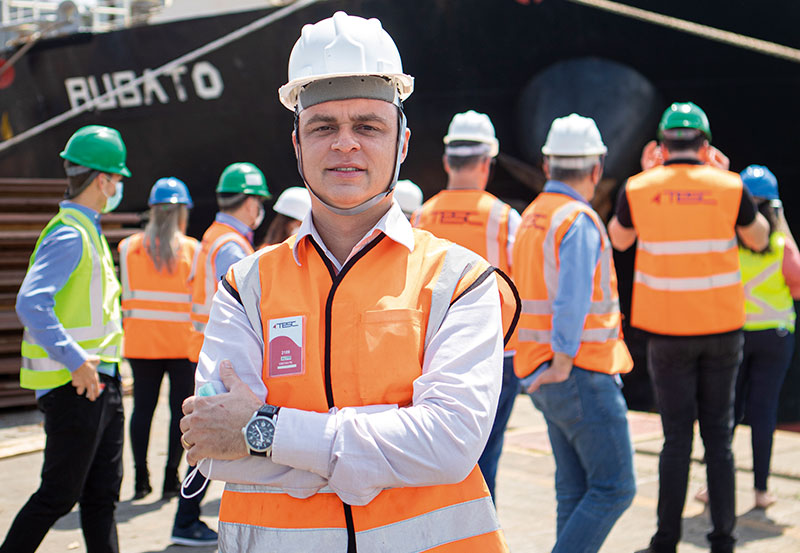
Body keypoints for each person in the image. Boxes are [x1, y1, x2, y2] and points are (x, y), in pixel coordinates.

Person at [179, 11, 519, 551]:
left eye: (367, 126)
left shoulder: (461, 281)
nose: (345, 144)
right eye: (323, 127)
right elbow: (215, 448)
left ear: (401, 143)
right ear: (297, 144)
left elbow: (450, 444)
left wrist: (264, 431)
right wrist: (389, 447)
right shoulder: (245, 287)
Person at [608, 102, 770, 553]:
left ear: (661, 146)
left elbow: (618, 239)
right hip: (721, 332)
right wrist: (726, 176)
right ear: (705, 145)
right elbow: (759, 239)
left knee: (675, 438)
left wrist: (647, 175)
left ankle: (665, 541)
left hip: (666, 335)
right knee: (719, 438)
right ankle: (723, 539)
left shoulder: (639, 187)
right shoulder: (730, 186)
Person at [2, 125, 129, 553]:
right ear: (102, 181)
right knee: (58, 495)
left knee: (102, 498)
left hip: (100, 384)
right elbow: (31, 302)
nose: (119, 187)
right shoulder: (70, 233)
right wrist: (76, 361)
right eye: (117, 179)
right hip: (75, 386)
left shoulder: (88, 230)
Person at [513, 113, 636, 553]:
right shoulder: (578, 220)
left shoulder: (532, 216)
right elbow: (572, 298)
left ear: (547, 165)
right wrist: (564, 360)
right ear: (597, 168)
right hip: (579, 370)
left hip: (541, 369)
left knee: (574, 490)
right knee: (615, 488)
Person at [411, 109, 521, 500]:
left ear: (447, 161)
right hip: (496, 353)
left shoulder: (422, 215)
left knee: (436, 451)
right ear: (487, 163)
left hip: (431, 354)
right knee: (486, 454)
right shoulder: (505, 218)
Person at [172, 162, 270, 546]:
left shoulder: (214, 236)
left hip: (203, 349)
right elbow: (250, 304)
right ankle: (185, 520)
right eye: (259, 202)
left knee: (206, 432)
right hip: (223, 359)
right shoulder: (231, 245)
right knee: (215, 434)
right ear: (250, 203)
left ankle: (185, 518)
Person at [702, 165, 800, 509]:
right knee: (764, 410)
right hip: (775, 337)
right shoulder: (781, 246)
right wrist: (782, 224)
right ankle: (761, 490)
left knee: (725, 410)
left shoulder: (725, 246)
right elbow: (798, 283)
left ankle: (712, 487)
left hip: (734, 337)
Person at [118, 177, 197, 501]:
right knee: (180, 413)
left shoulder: (128, 248)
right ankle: (170, 479)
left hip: (141, 344)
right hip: (181, 345)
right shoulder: (192, 250)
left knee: (142, 410)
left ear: (151, 210)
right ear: (182, 212)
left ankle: (141, 480)